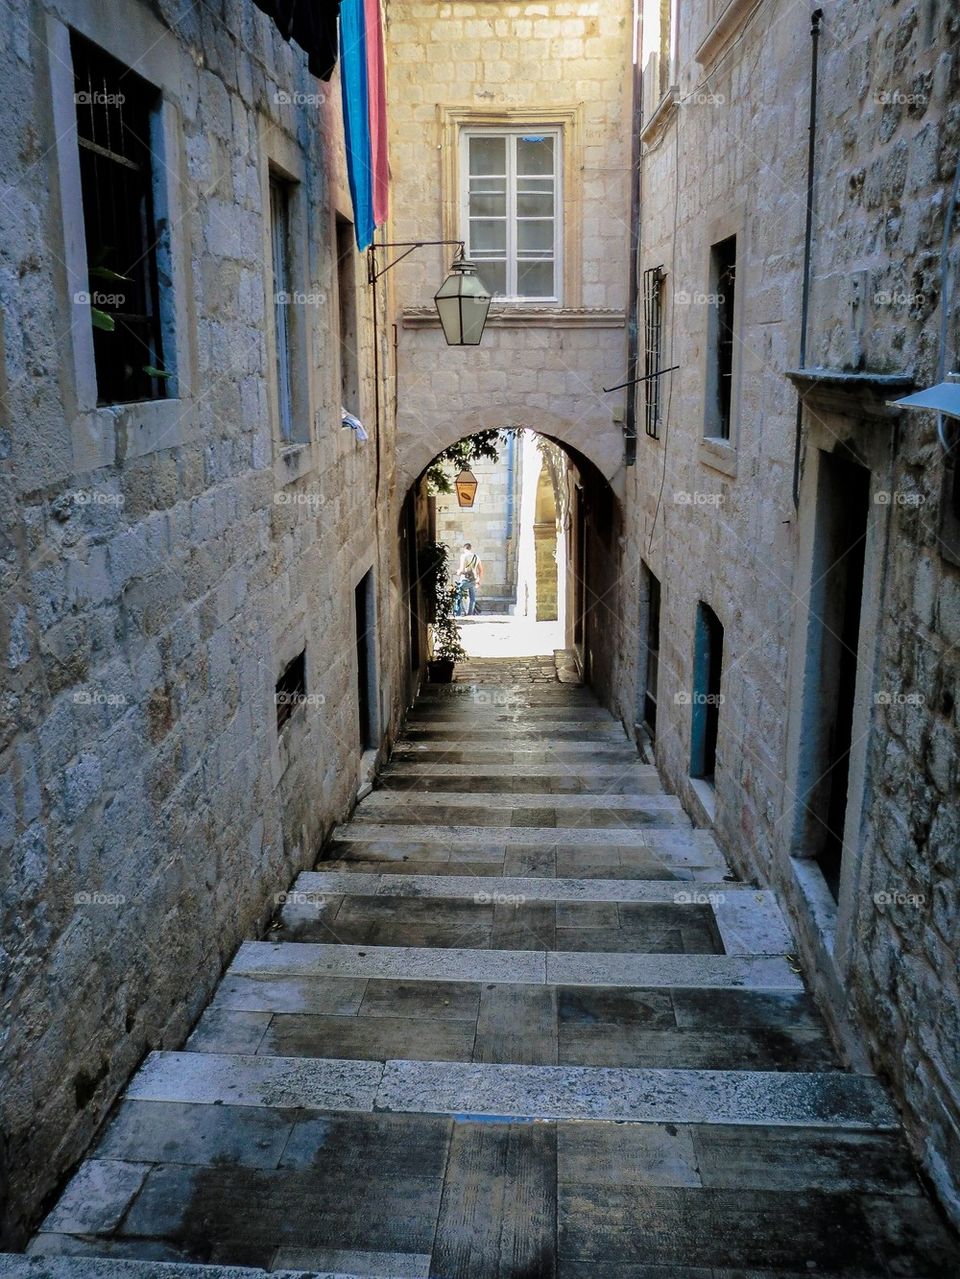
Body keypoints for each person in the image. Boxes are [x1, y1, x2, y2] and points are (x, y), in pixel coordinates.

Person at [456, 542, 483, 616]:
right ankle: (470, 614)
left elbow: (461, 569)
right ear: (470, 548)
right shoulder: (477, 557)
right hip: (473, 579)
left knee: (458, 595)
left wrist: (458, 572)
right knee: (472, 598)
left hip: (465, 579)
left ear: (464, 548)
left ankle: (457, 613)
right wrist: (479, 580)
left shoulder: (463, 556)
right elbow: (481, 570)